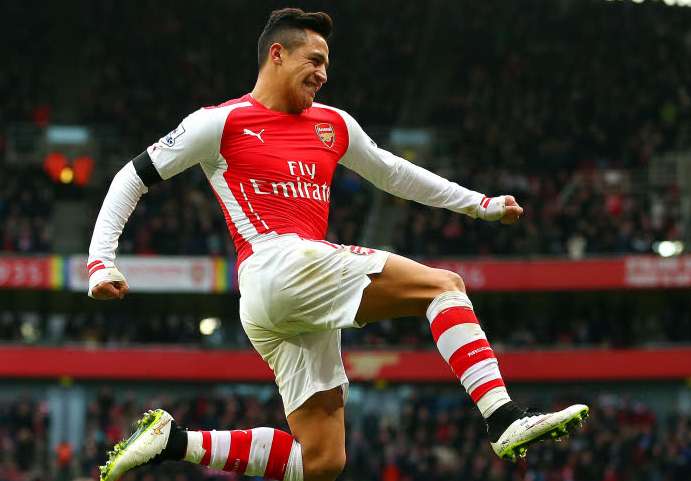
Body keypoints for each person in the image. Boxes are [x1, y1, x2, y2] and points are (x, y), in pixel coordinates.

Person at [89, 8, 588, 481]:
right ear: (277, 54)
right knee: (443, 286)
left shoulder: (334, 124)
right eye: (315, 60)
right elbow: (131, 177)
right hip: (278, 262)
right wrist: (100, 262)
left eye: (327, 64)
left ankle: (174, 442)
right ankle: (502, 418)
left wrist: (478, 204)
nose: (323, 74)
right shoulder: (220, 122)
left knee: (323, 461)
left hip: (275, 300)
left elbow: (394, 173)